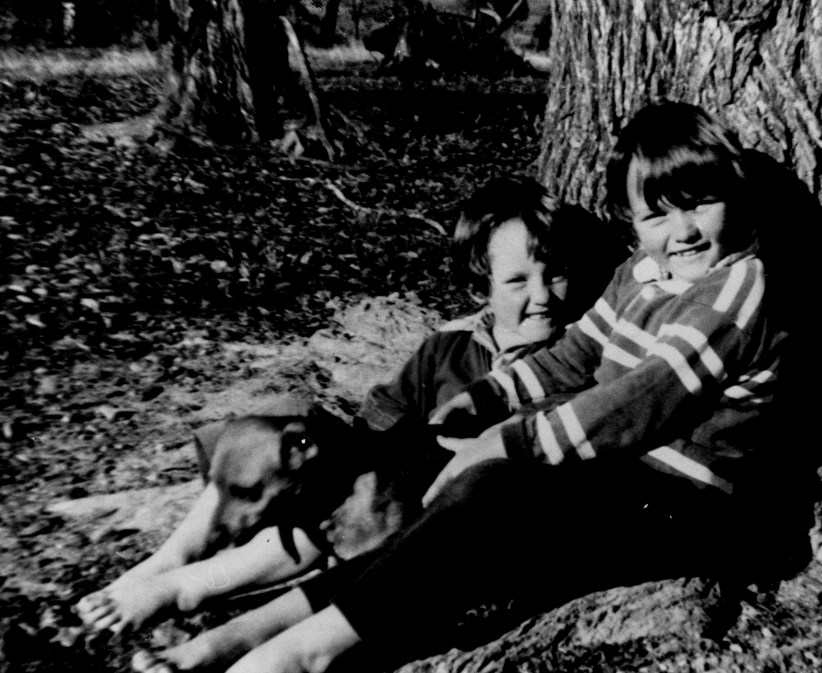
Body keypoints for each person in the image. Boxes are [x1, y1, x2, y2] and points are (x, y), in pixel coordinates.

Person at [135, 101, 822, 673]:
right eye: (656, 214)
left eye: (699, 203)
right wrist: (484, 399)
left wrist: (508, 443)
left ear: (734, 196)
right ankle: (260, 622)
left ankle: (312, 648)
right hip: (617, 473)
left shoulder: (739, 290)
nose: (681, 232)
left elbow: (637, 403)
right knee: (428, 467)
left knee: (488, 492)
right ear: (629, 219)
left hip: (687, 506)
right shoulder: (643, 273)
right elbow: (576, 357)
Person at [75, 175, 624, 635]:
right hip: (385, 486)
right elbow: (381, 419)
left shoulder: (578, 355)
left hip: (452, 512)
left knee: (363, 501)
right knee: (275, 430)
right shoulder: (447, 349)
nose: (544, 295)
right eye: (518, 280)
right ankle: (177, 555)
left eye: (555, 273)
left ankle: (196, 588)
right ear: (480, 284)